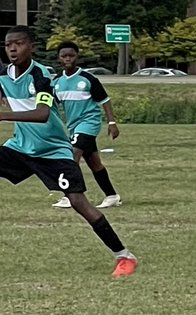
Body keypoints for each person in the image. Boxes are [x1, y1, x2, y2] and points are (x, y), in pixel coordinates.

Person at [1, 26, 137, 277]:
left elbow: (42, 114)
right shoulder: (3, 74)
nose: (12, 48)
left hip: (53, 151)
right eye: (8, 44)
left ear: (31, 45)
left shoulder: (41, 76)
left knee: (78, 202)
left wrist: (2, 115)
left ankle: (124, 256)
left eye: (18, 43)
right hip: (20, 148)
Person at [51, 41, 123, 210]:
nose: (68, 59)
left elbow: (104, 100)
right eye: (64, 56)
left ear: (77, 57)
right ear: (59, 58)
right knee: (94, 163)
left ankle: (70, 196)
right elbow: (52, 106)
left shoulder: (88, 79)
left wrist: (112, 122)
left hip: (89, 123)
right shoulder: (57, 82)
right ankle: (112, 196)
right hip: (73, 126)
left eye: (71, 55)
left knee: (71, 157)